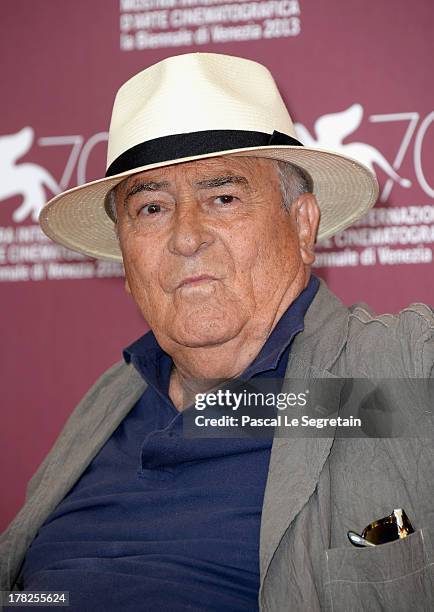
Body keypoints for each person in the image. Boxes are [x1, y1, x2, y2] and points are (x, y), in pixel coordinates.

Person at [1, 53, 433, 612]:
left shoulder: (386, 375)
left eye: (223, 198)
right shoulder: (112, 399)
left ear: (303, 226)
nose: (186, 237)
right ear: (127, 261)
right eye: (152, 208)